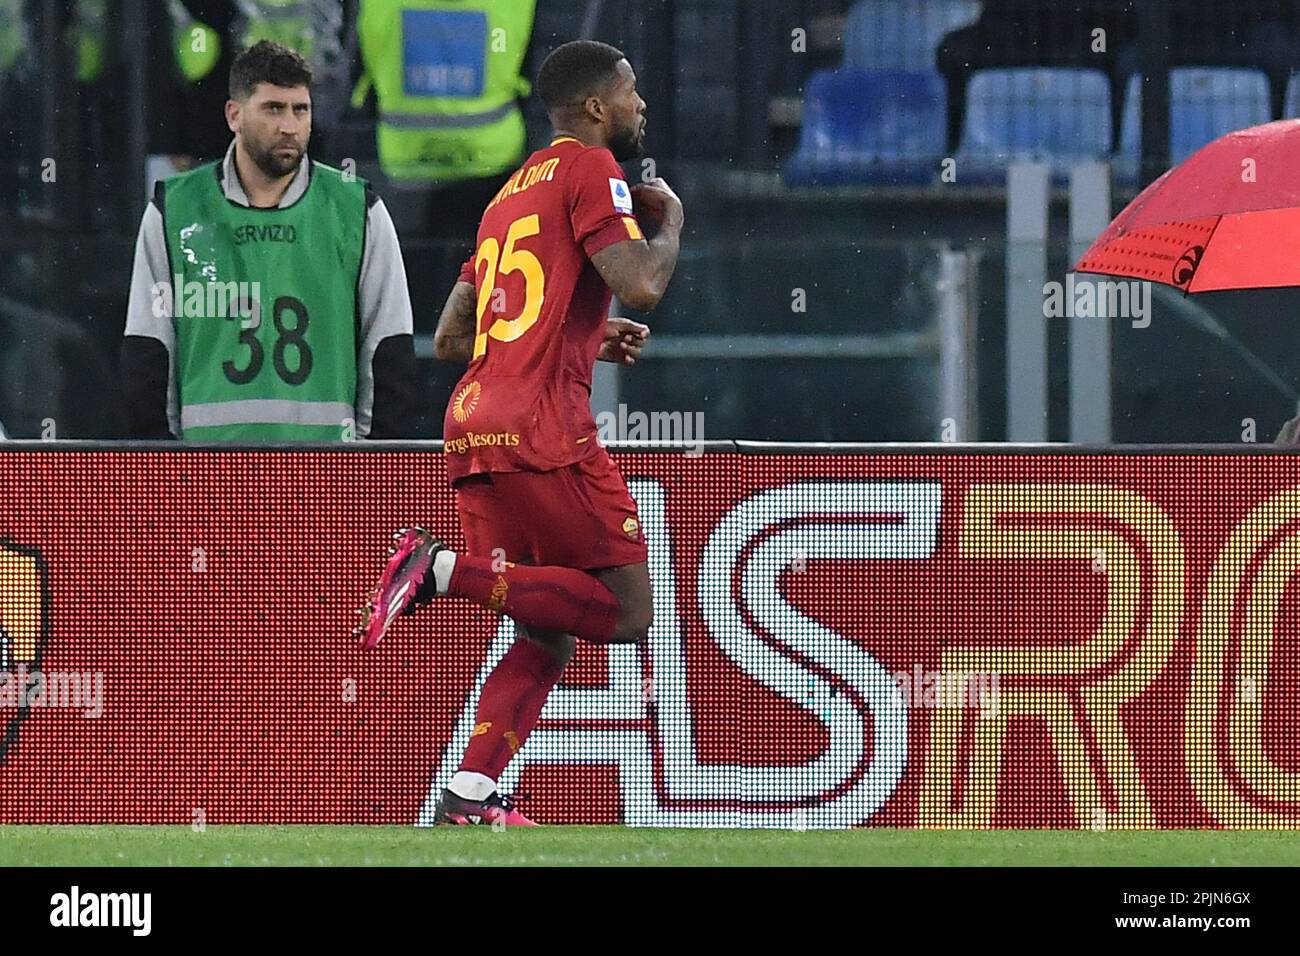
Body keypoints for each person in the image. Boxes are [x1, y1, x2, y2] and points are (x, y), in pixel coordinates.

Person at [353, 40, 684, 826]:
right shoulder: (591, 168)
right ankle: (438, 570)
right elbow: (642, 283)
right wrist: (669, 224)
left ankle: (467, 796)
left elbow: (450, 338)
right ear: (597, 107)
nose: (641, 108)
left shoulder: (505, 195)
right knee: (629, 612)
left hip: (471, 426)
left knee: (545, 631)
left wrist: (584, 338)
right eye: (632, 94)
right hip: (544, 429)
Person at [121, 41, 417, 440]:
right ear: (234, 115)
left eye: (301, 109)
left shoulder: (358, 209)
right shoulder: (174, 210)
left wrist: (375, 471)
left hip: (325, 476)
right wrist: (164, 470)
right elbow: (149, 351)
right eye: (273, 109)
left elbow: (389, 349)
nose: (290, 127)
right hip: (209, 477)